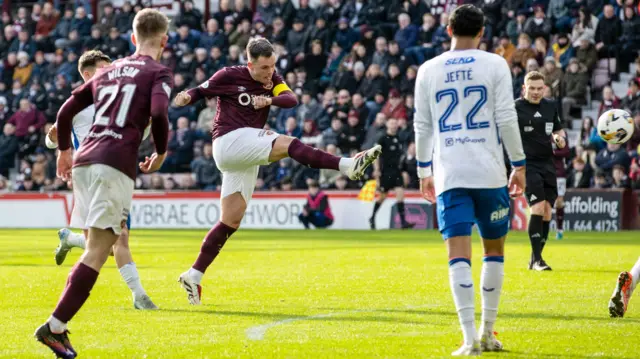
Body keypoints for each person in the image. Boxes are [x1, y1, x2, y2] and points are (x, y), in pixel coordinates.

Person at [173, 37, 382, 305]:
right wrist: (184, 97)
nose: (269, 72)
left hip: (244, 153)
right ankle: (346, 165)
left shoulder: (273, 78)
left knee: (231, 221)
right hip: (228, 142)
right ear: (249, 64)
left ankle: (194, 274)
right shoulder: (228, 75)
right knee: (288, 143)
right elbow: (200, 91)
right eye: (263, 68)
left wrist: (268, 101)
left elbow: (290, 99)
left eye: (272, 66)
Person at [34, 9, 173, 359]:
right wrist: (160, 151)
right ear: (165, 40)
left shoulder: (110, 70)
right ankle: (54, 326)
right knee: (101, 249)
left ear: (131, 37)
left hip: (84, 163)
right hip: (115, 162)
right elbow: (158, 113)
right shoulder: (158, 71)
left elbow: (65, 110)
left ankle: (59, 326)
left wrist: (64, 152)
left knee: (99, 243)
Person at [414, 5, 526, 356]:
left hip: (450, 173)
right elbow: (507, 117)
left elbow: (423, 125)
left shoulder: (428, 69)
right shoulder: (494, 63)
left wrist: (423, 171)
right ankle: (488, 333)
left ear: (448, 31)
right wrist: (519, 163)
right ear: (482, 33)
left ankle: (468, 340)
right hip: (489, 170)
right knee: (494, 250)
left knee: (457, 254)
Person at [45, 50, 157, 311]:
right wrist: (52, 138)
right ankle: (138, 295)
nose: (111, 73)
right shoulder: (77, 103)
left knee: (111, 244)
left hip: (112, 170)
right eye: (104, 68)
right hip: (87, 175)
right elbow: (53, 139)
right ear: (87, 74)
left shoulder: (119, 100)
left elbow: (135, 136)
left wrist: (148, 125)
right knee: (112, 243)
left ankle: (71, 240)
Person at [515, 71, 567, 271]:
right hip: (528, 164)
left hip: (547, 163)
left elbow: (558, 130)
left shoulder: (550, 106)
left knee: (547, 212)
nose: (536, 92)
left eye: (539, 88)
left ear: (544, 88)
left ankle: (535, 258)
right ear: (524, 88)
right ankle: (537, 260)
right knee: (536, 207)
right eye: (532, 88)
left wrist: (559, 138)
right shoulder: (515, 108)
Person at [370, 117, 414, 229]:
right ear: (387, 125)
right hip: (385, 171)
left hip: (396, 170)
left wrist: (403, 170)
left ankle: (403, 222)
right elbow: (375, 155)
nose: (394, 125)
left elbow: (400, 157)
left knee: (400, 193)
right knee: (383, 196)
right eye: (391, 123)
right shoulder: (382, 138)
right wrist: (376, 169)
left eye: (395, 123)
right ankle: (372, 217)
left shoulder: (399, 138)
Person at [552, 135, 570, 240]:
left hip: (558, 173)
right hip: (544, 171)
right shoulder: (541, 133)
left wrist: (552, 152)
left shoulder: (558, 136)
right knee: (544, 202)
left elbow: (566, 151)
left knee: (559, 201)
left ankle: (559, 230)